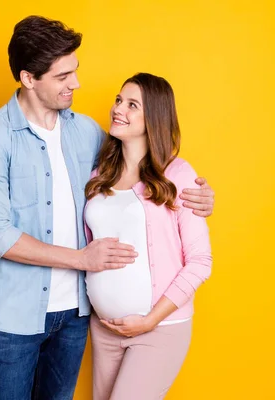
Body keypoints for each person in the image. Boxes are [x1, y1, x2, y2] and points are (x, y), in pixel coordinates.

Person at [0, 16, 215, 400]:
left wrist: (200, 197)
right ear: (29, 78)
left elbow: (152, 169)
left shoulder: (89, 135)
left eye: (75, 71)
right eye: (63, 76)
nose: (76, 84)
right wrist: (82, 259)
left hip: (77, 317)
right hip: (16, 315)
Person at [85, 73, 212, 400]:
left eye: (132, 105)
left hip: (158, 330)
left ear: (153, 116)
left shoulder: (178, 174)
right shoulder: (99, 174)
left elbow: (200, 263)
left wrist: (149, 320)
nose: (118, 109)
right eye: (118, 100)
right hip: (104, 329)